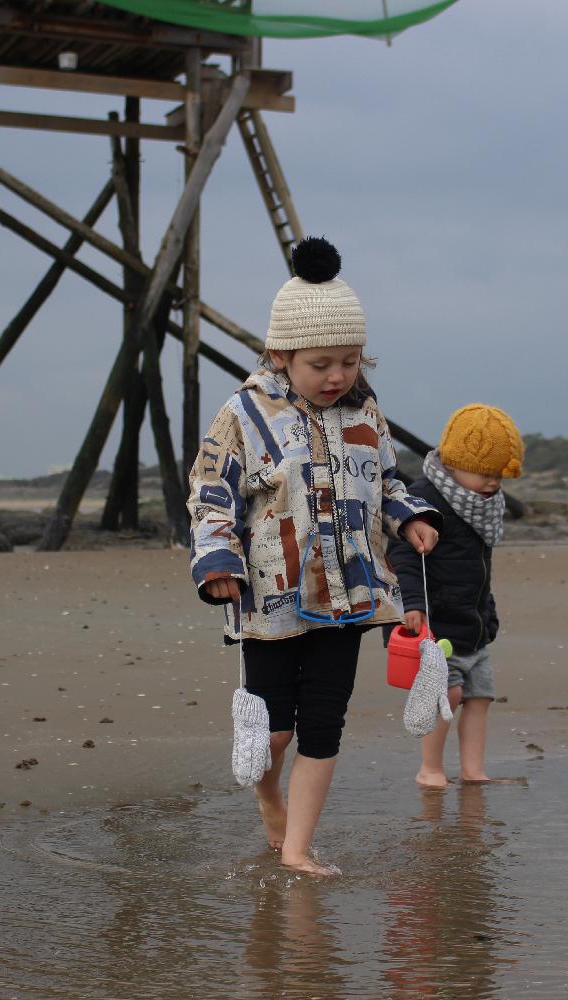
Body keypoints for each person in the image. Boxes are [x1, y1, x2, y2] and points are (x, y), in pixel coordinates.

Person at [187, 236, 440, 875]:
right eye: (322, 363)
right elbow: (209, 492)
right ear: (282, 355)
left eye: (350, 362)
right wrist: (218, 563)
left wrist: (408, 520)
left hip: (351, 599)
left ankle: (298, 848)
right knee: (272, 735)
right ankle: (269, 797)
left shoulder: (365, 412)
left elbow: (387, 481)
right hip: (271, 601)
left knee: (323, 727)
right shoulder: (243, 413)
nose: (338, 377)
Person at [388, 404, 523, 788]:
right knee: (447, 694)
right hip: (434, 625)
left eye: (500, 475)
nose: (493, 484)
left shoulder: (482, 505)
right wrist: (412, 606)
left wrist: (488, 612)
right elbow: (402, 555)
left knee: (480, 697)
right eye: (485, 473)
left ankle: (473, 770)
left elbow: (478, 567)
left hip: (473, 623)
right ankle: (429, 768)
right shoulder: (424, 502)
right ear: (453, 462)